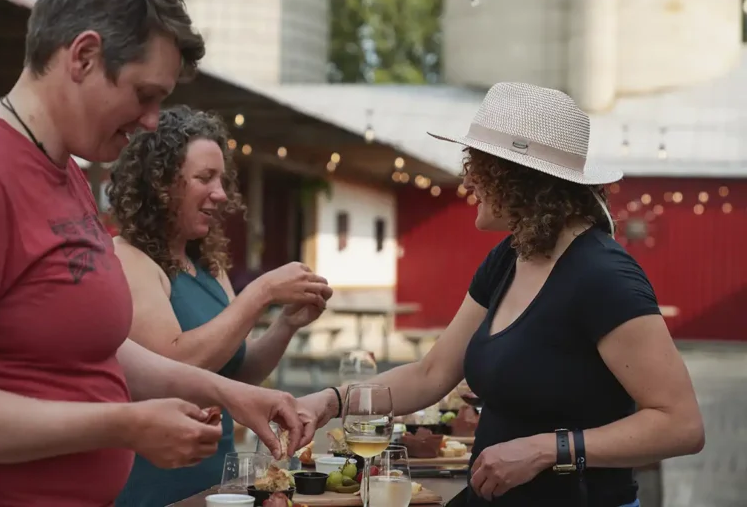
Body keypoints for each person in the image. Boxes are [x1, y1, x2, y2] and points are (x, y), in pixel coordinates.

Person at [297, 83, 705, 507]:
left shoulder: (604, 275)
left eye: (479, 165)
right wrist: (330, 402)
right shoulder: (510, 257)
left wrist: (547, 450)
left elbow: (681, 425)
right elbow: (431, 373)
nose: (467, 179)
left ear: (521, 179)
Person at [0, 0, 305, 506]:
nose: (153, 121)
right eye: (145, 94)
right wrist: (126, 423)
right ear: (83, 57)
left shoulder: (68, 174)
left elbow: (102, 346)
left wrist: (228, 393)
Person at [107, 105, 333, 506]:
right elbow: (176, 366)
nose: (221, 193)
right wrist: (260, 293)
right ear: (160, 184)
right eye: (204, 178)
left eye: (221, 178)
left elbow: (235, 372)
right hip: (156, 483)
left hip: (217, 480)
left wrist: (285, 325)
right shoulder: (128, 258)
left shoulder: (207, 266)